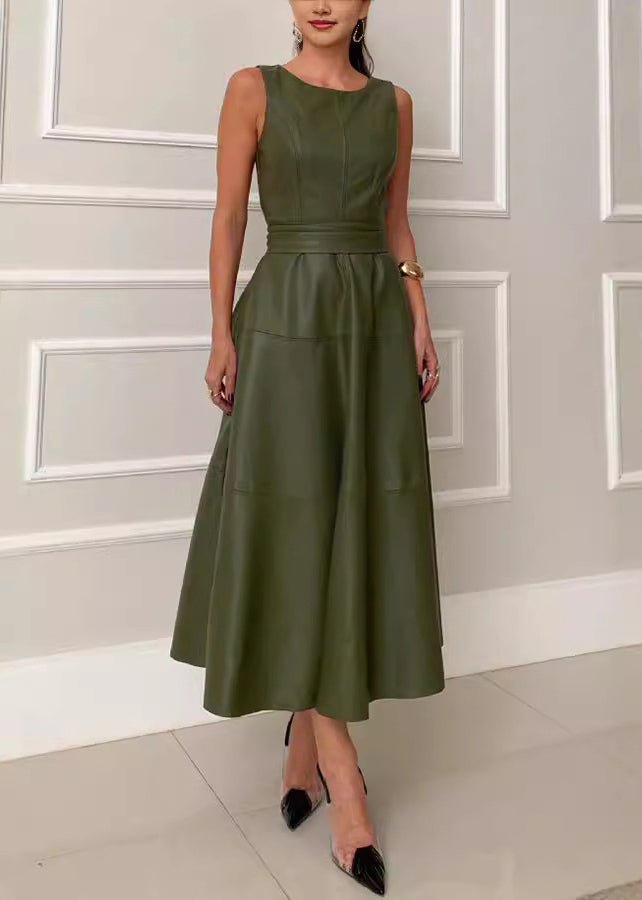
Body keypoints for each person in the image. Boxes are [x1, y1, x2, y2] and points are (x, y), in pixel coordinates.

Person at [170, 1, 445, 894]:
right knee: (295, 528)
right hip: (285, 320)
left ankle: (301, 743)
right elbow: (228, 218)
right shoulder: (253, 90)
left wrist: (419, 315)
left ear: (366, 4)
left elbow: (397, 226)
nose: (321, 2)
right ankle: (345, 780)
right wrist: (221, 332)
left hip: (370, 326)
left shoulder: (394, 106)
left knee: (350, 523)